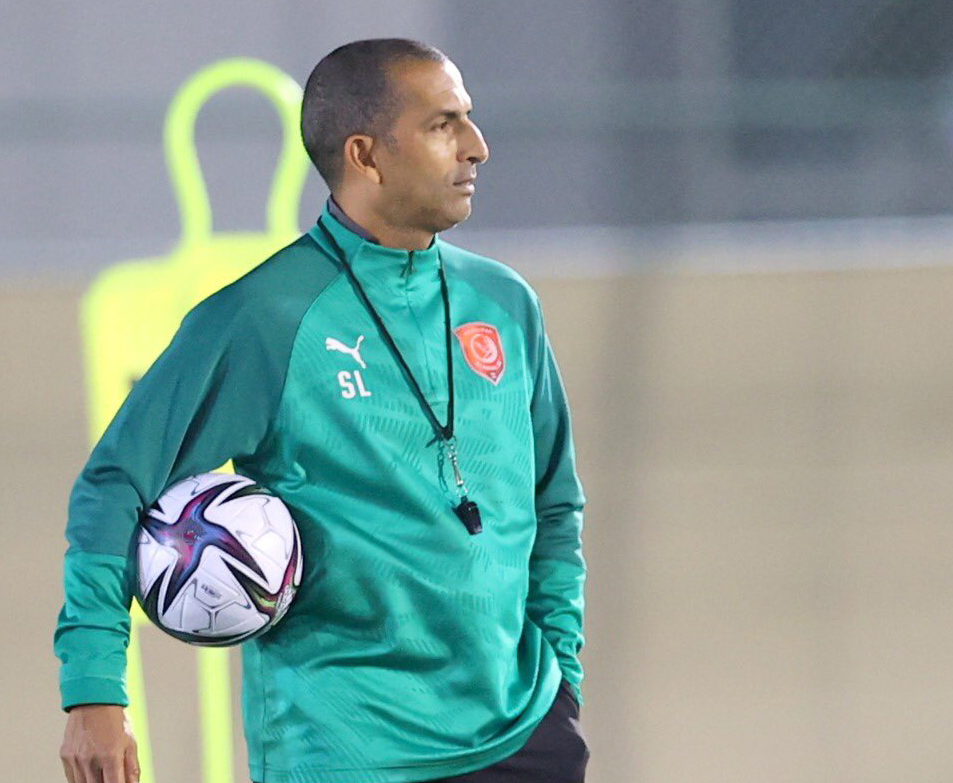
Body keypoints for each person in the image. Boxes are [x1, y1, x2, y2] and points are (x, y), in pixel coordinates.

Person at [56, 38, 588, 783]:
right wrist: (94, 693)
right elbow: (114, 485)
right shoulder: (264, 317)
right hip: (345, 750)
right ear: (365, 155)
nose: (477, 146)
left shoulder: (505, 303)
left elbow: (554, 504)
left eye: (468, 118)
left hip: (524, 736)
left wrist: (561, 674)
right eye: (443, 125)